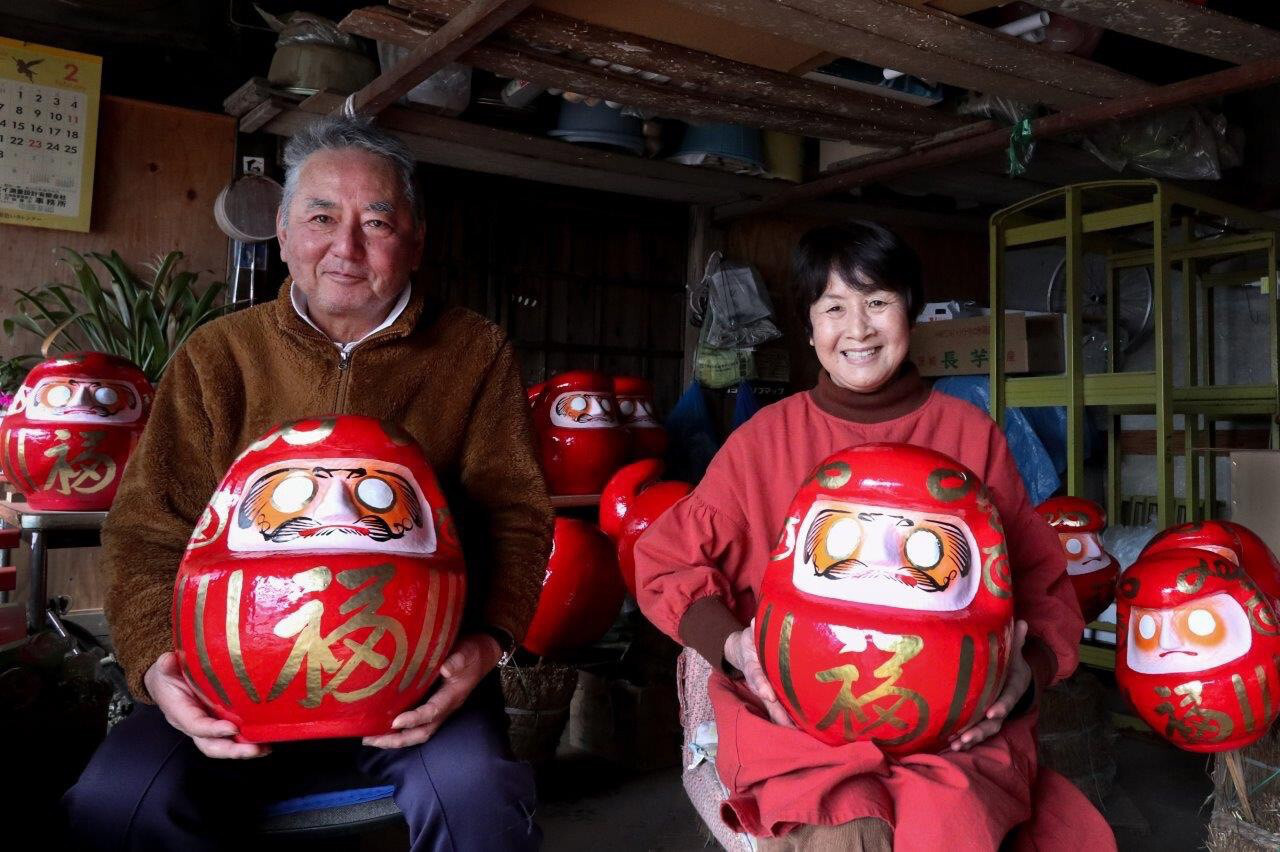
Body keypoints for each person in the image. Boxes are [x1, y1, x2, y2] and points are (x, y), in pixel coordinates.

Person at [61, 115, 553, 850]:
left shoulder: (473, 352)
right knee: (116, 802)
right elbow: (146, 529)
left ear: (414, 242)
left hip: (417, 683)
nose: (345, 247)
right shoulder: (218, 355)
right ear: (285, 235)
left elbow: (516, 516)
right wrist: (155, 663)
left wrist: (489, 643)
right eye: (321, 217)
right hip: (223, 682)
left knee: (479, 799)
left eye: (376, 222)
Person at [633, 223, 1116, 850]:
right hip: (801, 732)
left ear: (910, 312)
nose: (857, 329)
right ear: (809, 327)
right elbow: (665, 562)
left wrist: (1031, 668)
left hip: (954, 738)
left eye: (878, 302)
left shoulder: (970, 435)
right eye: (833, 307)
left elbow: (1042, 584)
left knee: (952, 831)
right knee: (843, 835)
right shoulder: (763, 440)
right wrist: (733, 647)